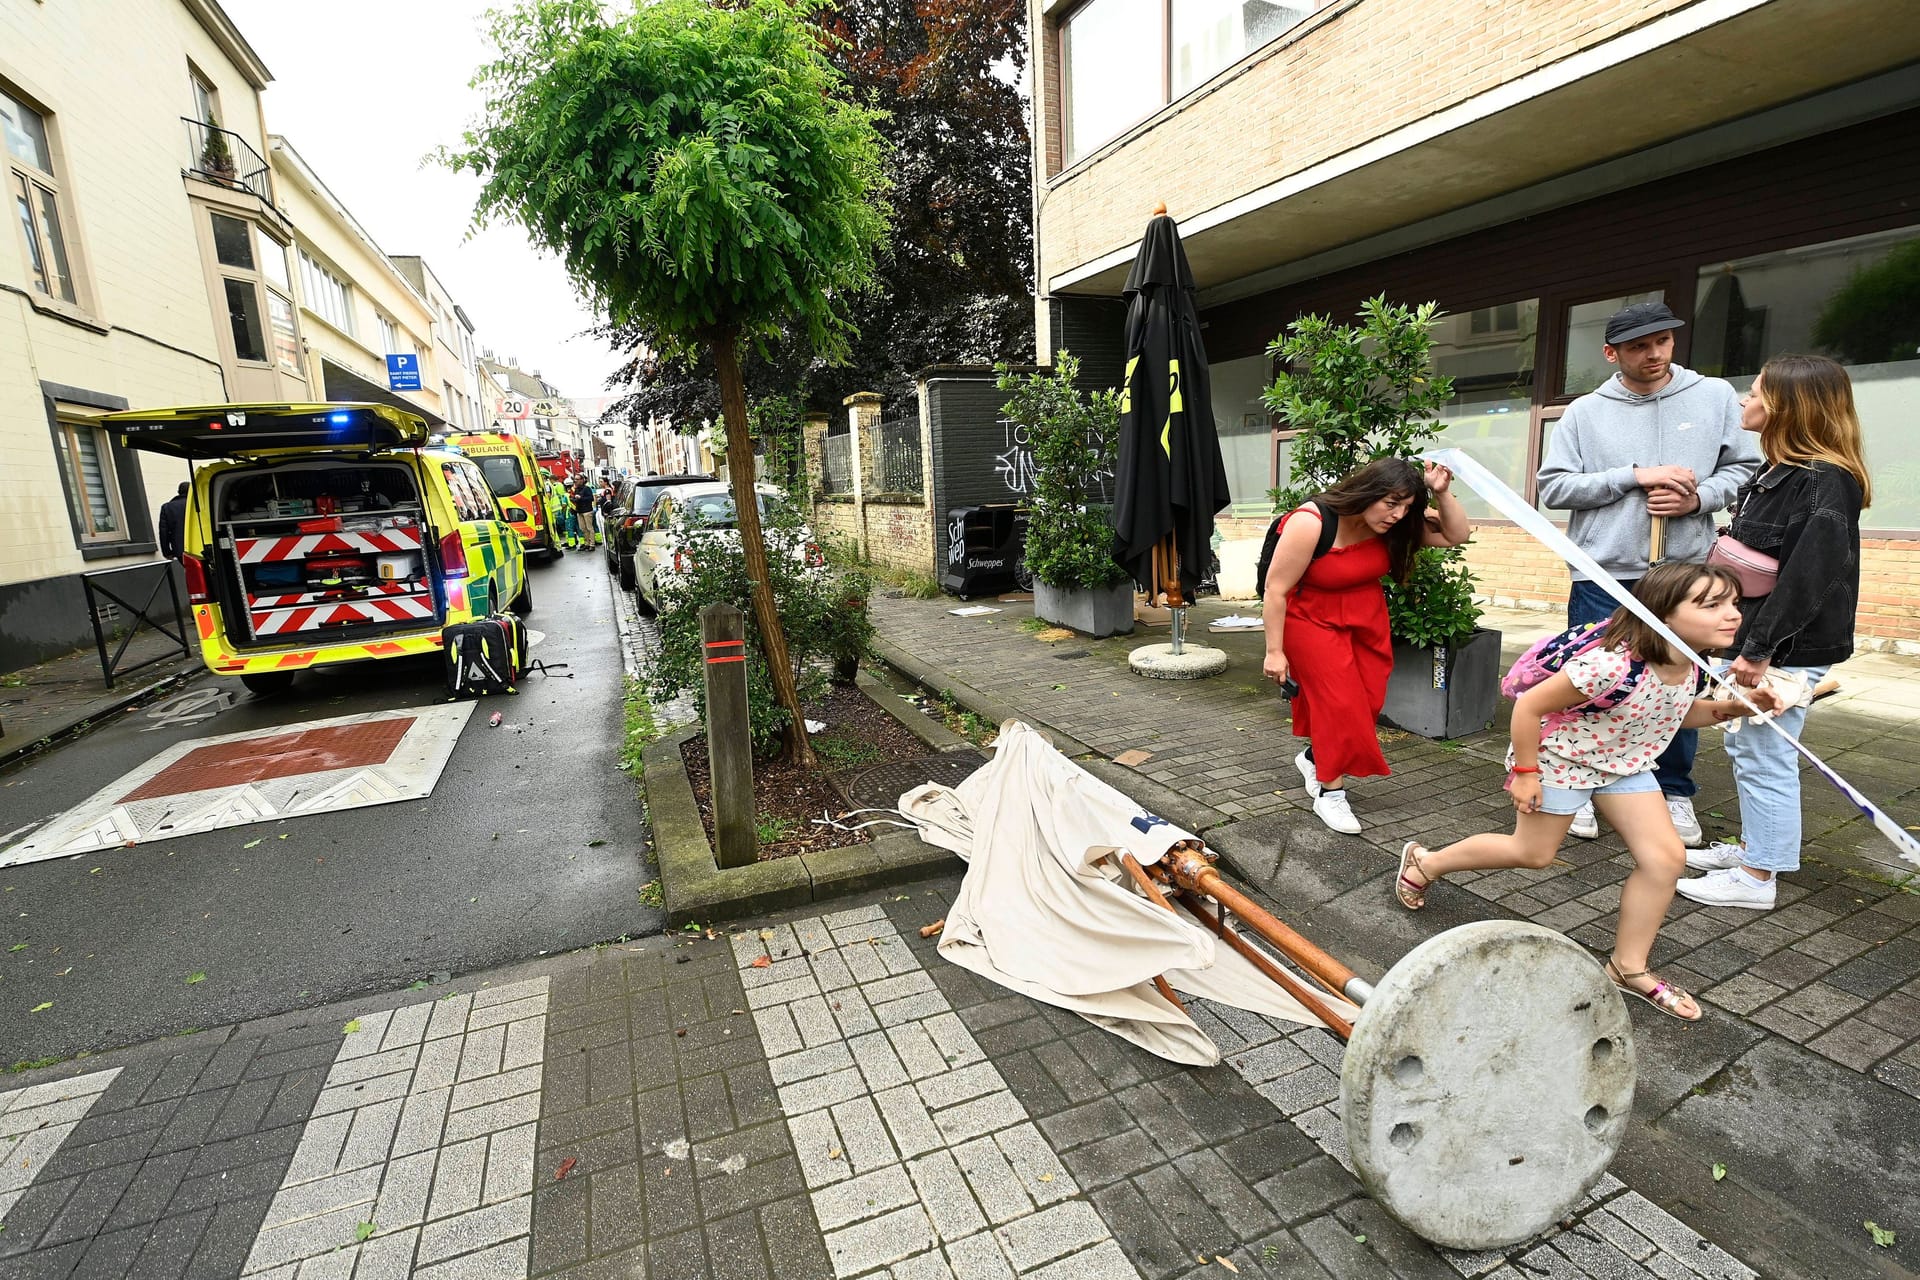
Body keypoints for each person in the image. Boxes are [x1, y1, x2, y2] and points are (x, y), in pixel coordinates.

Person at [1396, 563, 1786, 1022]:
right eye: (1712, 605)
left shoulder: (1695, 662)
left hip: (1624, 765)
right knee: (1533, 853)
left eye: (1734, 603)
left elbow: (1671, 713)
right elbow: (1529, 706)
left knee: (1665, 859)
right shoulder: (1608, 665)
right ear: (1661, 612)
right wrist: (1525, 773)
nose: (1733, 615)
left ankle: (1628, 968)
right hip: (1562, 760)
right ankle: (1427, 861)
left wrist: (1730, 709)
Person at [1538, 300, 1759, 848]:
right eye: (1638, 346)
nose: (1653, 354)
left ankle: (1674, 790)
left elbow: (1747, 468)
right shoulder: (1584, 412)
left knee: (1678, 683)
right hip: (1604, 571)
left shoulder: (1712, 397)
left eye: (1662, 340)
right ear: (1612, 353)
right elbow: (1554, 487)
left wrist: (1699, 499)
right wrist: (1633, 477)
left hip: (1686, 573)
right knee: (1591, 680)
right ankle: (1582, 786)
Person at [1677, 354, 1869, 911]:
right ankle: (1754, 849)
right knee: (1748, 749)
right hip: (1759, 639)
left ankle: (1758, 878)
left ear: (1787, 406)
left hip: (1784, 646)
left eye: (1756, 392)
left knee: (1765, 754)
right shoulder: (1777, 471)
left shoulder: (1823, 482)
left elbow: (1808, 581)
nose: (1744, 400)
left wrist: (1758, 653)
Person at [1262, 457, 1471, 834]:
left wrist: (1440, 492)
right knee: (1340, 704)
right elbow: (1276, 590)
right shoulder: (1312, 522)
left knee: (1367, 701)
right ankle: (1331, 793)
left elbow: (1456, 534)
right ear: (1368, 492)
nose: (1397, 514)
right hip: (1311, 620)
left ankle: (1315, 757)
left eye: (1406, 506)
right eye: (1391, 503)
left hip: (1366, 619)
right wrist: (1275, 651)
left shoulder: (1392, 527)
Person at [157, 482, 189, 562]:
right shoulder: (199, 503)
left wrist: (167, 552)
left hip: (180, 549)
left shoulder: (167, 507)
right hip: (201, 546)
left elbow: (164, 532)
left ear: (178, 492)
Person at [571, 476, 599, 550]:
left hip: (587, 511)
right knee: (583, 528)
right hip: (580, 511)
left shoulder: (587, 489)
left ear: (582, 480)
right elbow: (575, 499)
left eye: (577, 479)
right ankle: (587, 543)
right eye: (575, 479)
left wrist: (580, 498)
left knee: (589, 528)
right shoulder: (577, 489)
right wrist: (573, 499)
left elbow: (591, 498)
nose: (575, 481)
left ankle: (592, 544)